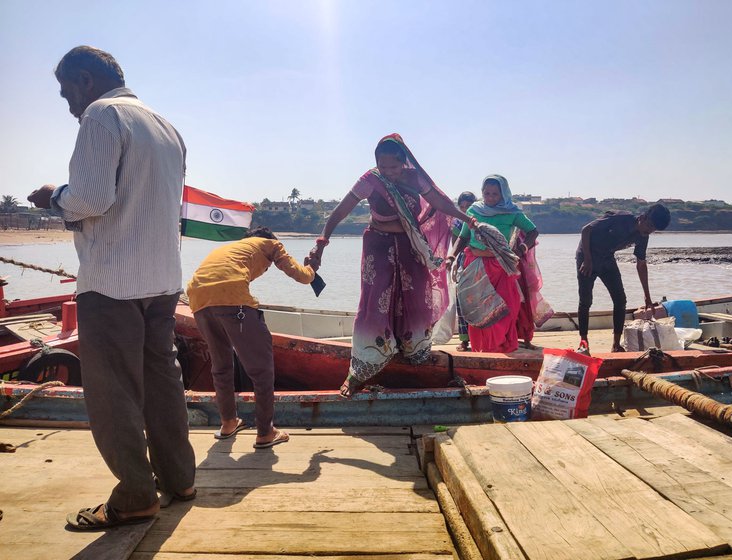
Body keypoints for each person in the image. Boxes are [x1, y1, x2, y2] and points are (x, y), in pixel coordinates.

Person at [27, 46, 195, 530]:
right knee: (163, 382)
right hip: (162, 279)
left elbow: (91, 199)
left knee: (113, 391)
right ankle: (179, 479)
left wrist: (52, 197)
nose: (68, 104)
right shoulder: (166, 127)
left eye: (66, 92)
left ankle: (137, 496)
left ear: (85, 81)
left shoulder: (102, 116)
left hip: (112, 282)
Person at [306, 134, 476, 398]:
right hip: (378, 244)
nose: (389, 173)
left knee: (415, 296)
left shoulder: (414, 178)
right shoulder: (370, 180)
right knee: (376, 301)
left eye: (394, 167)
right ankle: (360, 370)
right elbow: (341, 211)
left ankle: (411, 350)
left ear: (403, 163)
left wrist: (468, 219)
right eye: (384, 167)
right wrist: (322, 240)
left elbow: (440, 203)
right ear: (377, 164)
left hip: (410, 245)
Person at [186, 227, 317, 447]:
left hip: (197, 300)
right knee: (262, 371)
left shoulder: (232, 248)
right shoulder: (271, 244)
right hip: (233, 299)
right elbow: (301, 276)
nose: (265, 270)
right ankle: (266, 432)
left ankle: (228, 423)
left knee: (221, 367)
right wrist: (312, 270)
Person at [448, 175, 538, 353]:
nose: (490, 198)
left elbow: (533, 231)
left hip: (501, 266)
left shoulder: (512, 212)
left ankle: (501, 345)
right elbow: (464, 236)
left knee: (507, 307)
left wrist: (523, 248)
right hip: (476, 265)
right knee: (479, 307)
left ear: (503, 194)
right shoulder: (474, 210)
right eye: (486, 193)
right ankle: (482, 348)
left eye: (495, 194)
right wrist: (451, 256)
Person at [576, 204, 671, 352]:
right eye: (649, 226)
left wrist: (647, 296)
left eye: (653, 230)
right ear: (643, 217)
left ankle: (616, 345)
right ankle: (584, 342)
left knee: (620, 300)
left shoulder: (643, 236)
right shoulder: (620, 218)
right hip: (587, 256)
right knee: (586, 300)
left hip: (607, 258)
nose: (648, 231)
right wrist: (587, 260)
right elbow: (586, 230)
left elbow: (641, 264)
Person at [447, 191, 477, 351]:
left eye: (469, 206)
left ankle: (480, 338)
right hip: (463, 264)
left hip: (479, 263)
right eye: (462, 206)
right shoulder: (458, 224)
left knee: (479, 301)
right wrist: (453, 266)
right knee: (462, 302)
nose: (465, 210)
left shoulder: (479, 221)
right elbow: (455, 248)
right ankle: (465, 340)